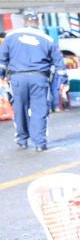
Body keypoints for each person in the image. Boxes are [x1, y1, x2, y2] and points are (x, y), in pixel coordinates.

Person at [0, 10, 67, 151]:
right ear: (37, 22)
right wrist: (63, 80)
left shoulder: (11, 36)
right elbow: (59, 62)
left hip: (17, 78)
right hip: (39, 78)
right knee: (39, 109)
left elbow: (2, 60)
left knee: (19, 108)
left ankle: (22, 139)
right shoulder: (47, 39)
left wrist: (1, 75)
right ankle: (39, 143)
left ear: (24, 21)